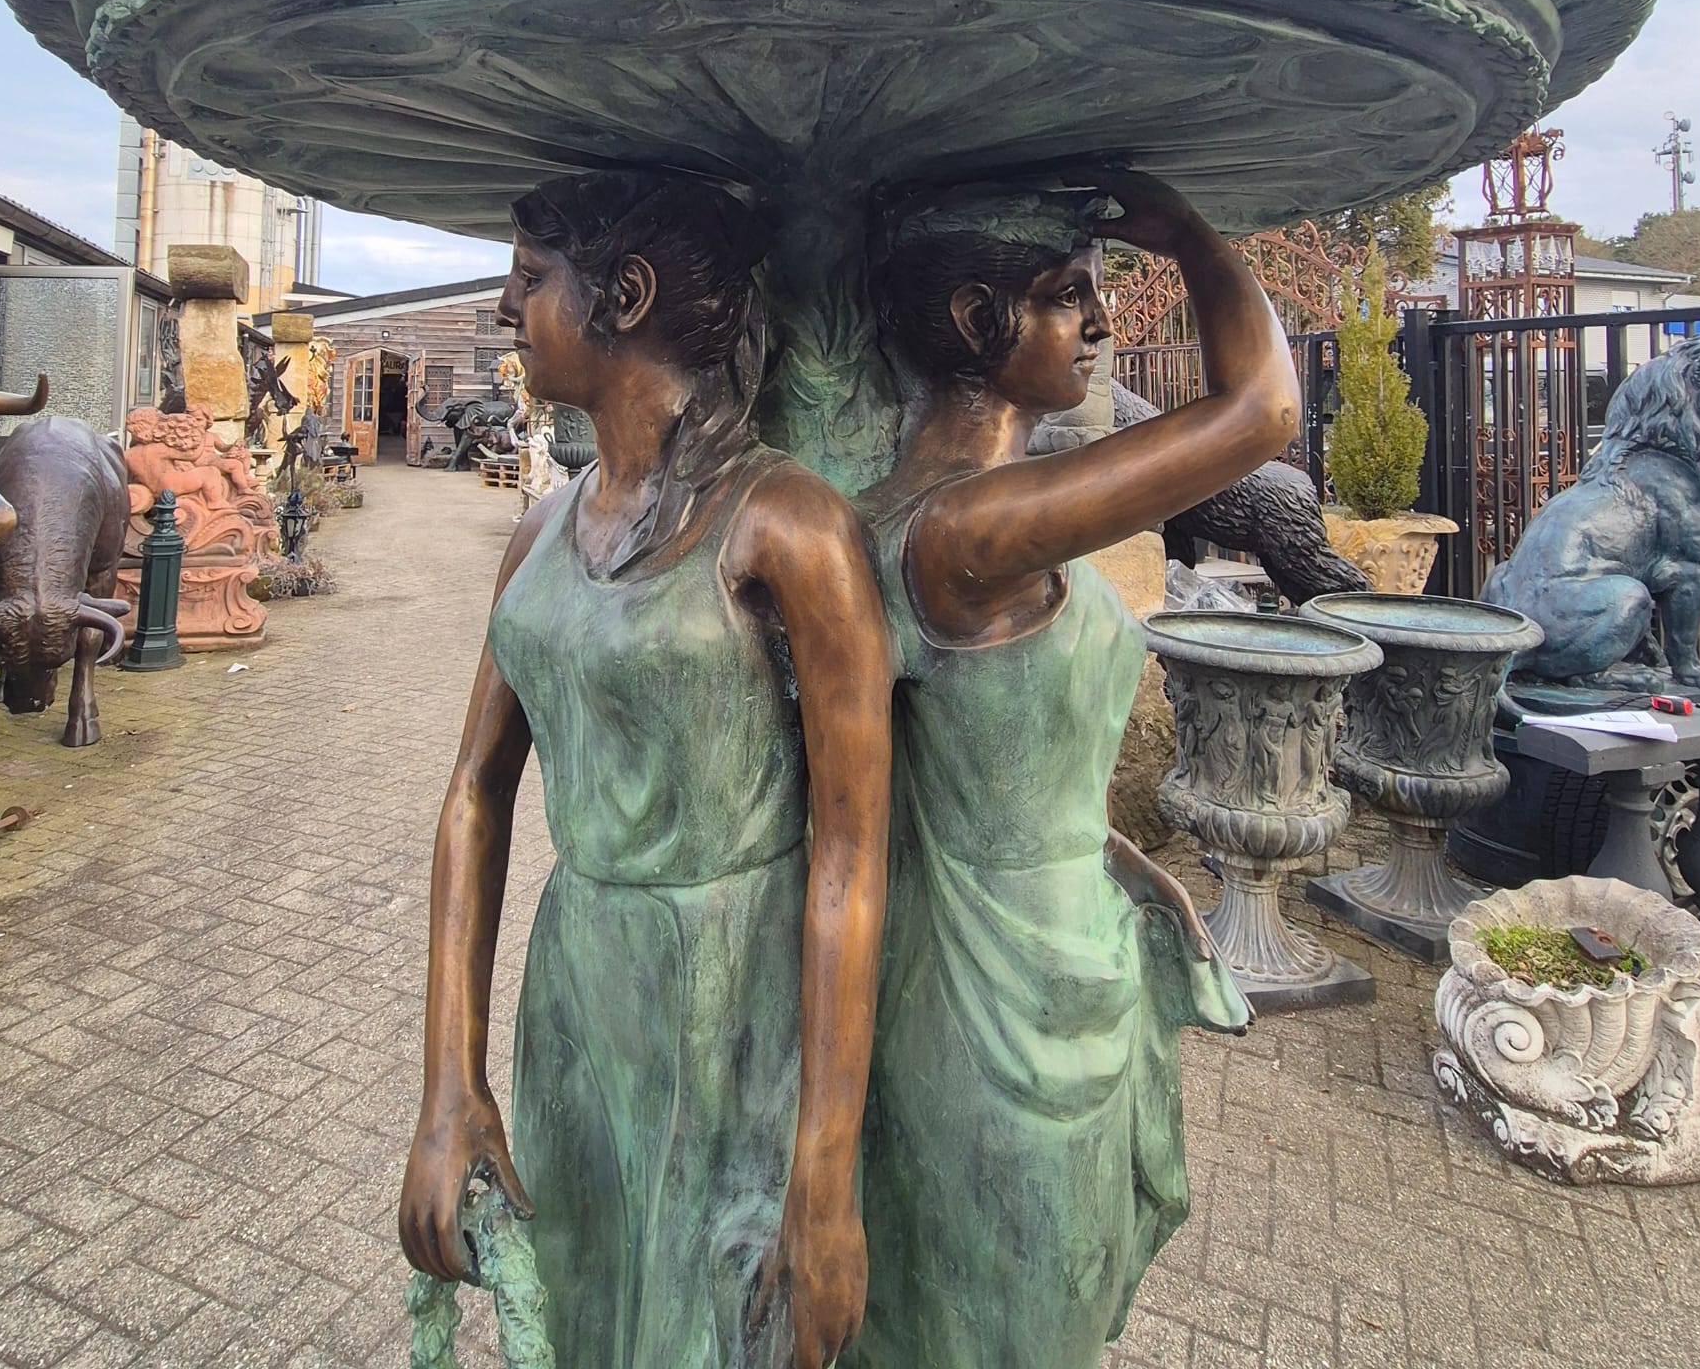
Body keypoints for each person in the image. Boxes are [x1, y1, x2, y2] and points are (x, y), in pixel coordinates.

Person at [399, 170, 895, 1369]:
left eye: (531, 283)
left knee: (712, 1322)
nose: (510, 312)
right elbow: (474, 789)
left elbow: (852, 845)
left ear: (621, 295)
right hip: (577, 986)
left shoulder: (788, 525)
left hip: (731, 1005)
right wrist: (447, 1085)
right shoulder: (539, 526)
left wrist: (823, 1182)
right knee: (584, 1306)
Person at [845, 169, 1298, 1369]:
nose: (1100, 323)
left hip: (1066, 957)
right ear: (972, 325)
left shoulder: (958, 515)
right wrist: (1193, 238)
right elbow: (1259, 412)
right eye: (1067, 296)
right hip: (988, 998)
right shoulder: (964, 532)